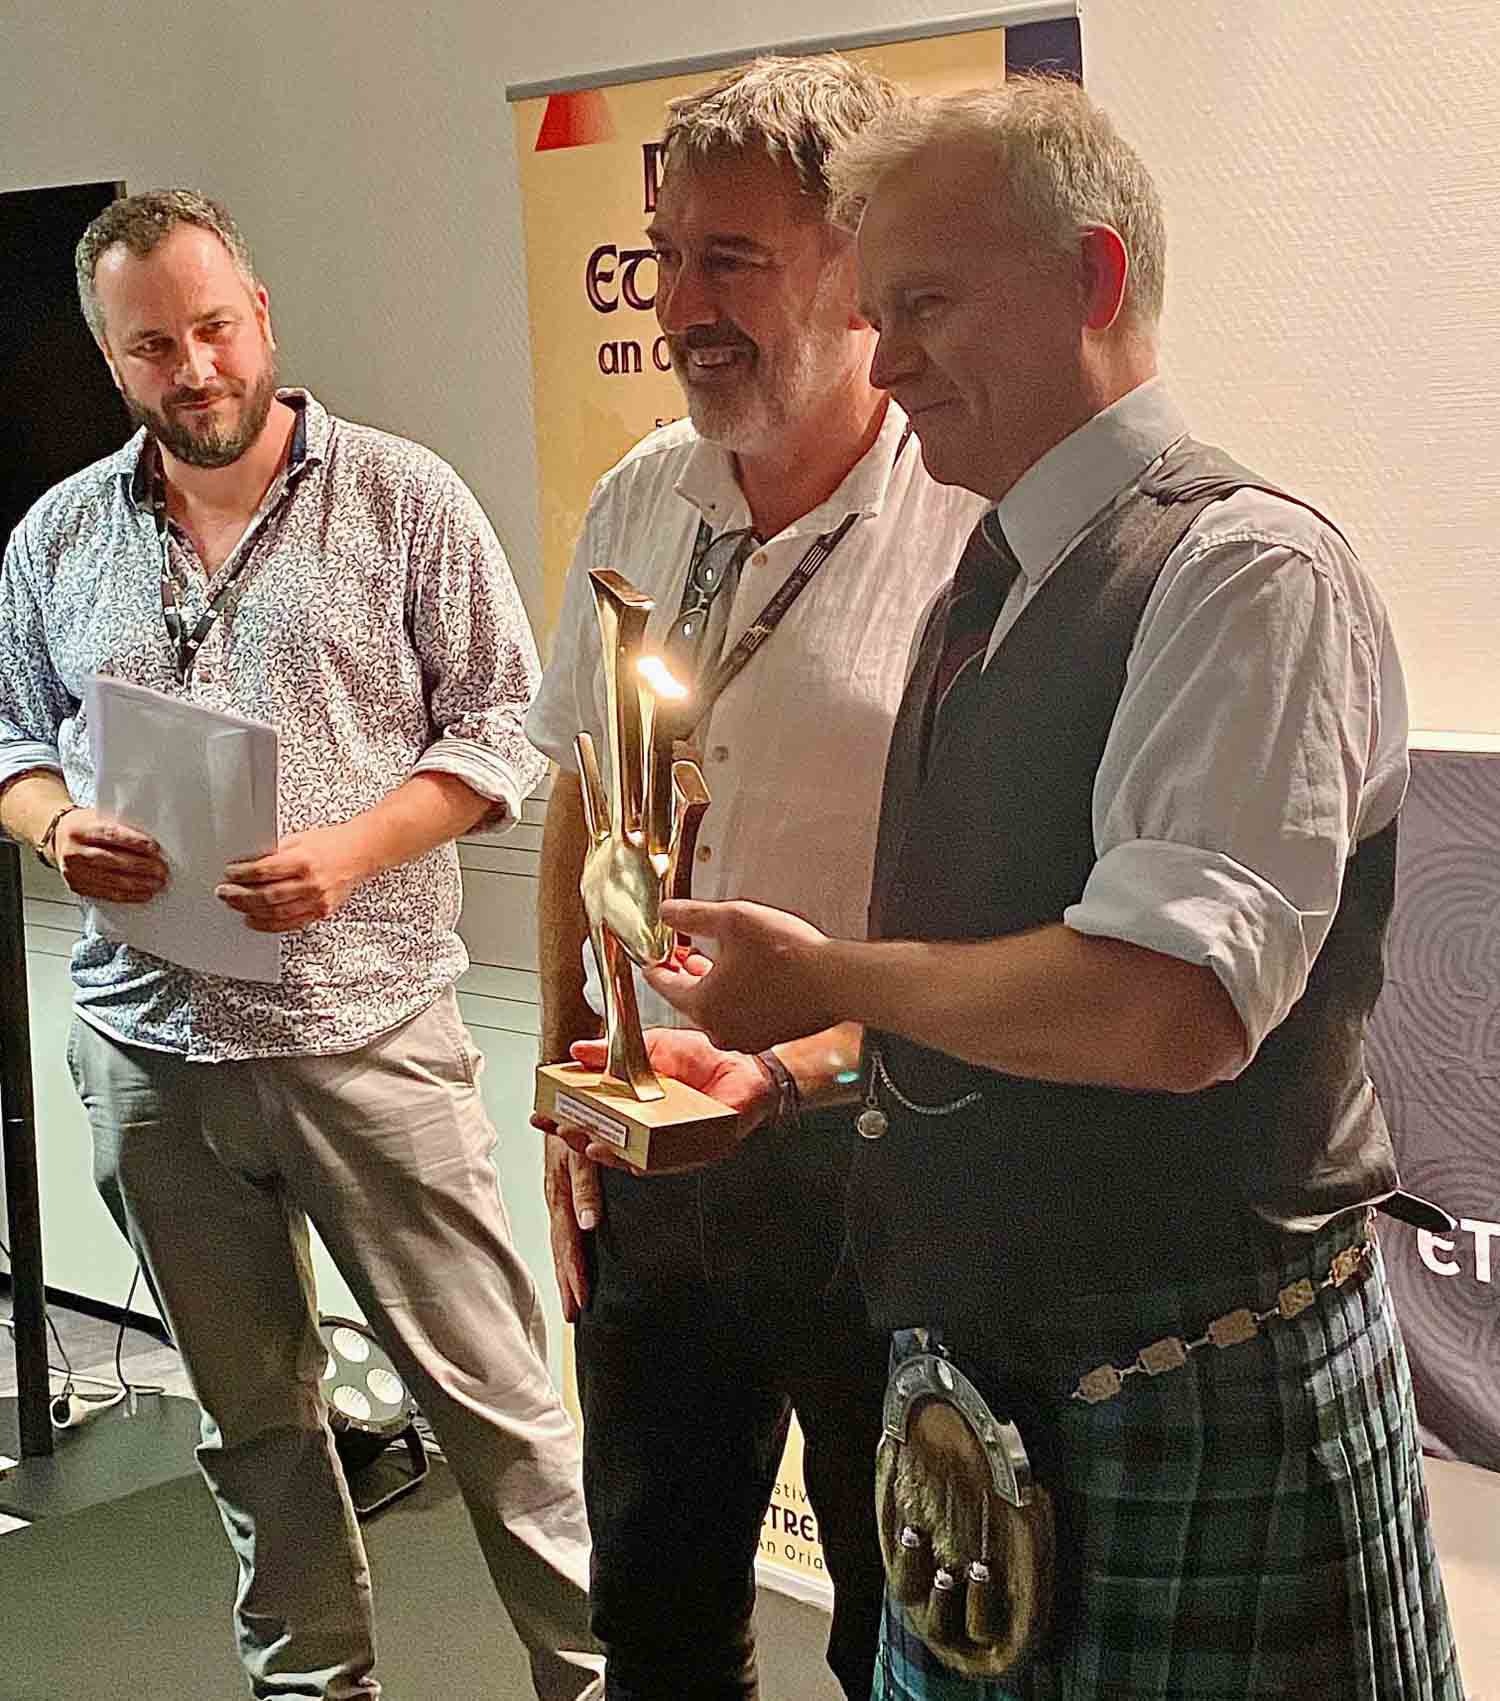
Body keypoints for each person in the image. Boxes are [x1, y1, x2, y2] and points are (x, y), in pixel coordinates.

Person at [566, 78, 1464, 1701]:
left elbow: (1172, 1006)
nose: (887, 354)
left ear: (1094, 281)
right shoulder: (1000, 563)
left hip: (1189, 1381)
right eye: (874, 306)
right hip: (1004, 1383)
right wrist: (780, 1075)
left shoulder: (1243, 574)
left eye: (920, 305)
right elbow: (989, 974)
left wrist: (829, 983)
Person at [0, 190, 601, 1701]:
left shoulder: (405, 499)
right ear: (112, 362)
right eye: (153, 347)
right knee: (251, 1422)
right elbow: (11, 736)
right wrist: (57, 827)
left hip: (369, 1038)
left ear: (260, 313)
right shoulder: (54, 536)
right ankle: (309, 1682)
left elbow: (502, 733)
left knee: (499, 1404)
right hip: (147, 1047)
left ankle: (600, 1674)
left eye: (212, 328)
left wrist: (351, 851)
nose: (193, 367)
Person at [528, 56, 988, 1701]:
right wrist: (565, 1055)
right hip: (659, 1156)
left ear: (854, 267)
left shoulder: (967, 523)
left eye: (734, 257)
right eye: (664, 252)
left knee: (896, 1630)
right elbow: (585, 791)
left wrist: (793, 1070)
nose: (681, 302)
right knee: (655, 1612)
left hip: (878, 1159)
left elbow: (1008, 920)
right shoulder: (643, 493)